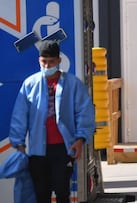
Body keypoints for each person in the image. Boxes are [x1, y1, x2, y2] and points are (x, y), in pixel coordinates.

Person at [9, 40, 95, 203]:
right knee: (41, 194)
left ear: (59, 61)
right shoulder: (30, 84)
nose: (47, 66)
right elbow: (19, 115)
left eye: (51, 62)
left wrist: (80, 139)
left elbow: (84, 112)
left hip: (63, 147)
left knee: (63, 191)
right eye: (44, 61)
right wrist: (19, 144)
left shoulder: (73, 84)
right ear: (39, 61)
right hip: (37, 150)